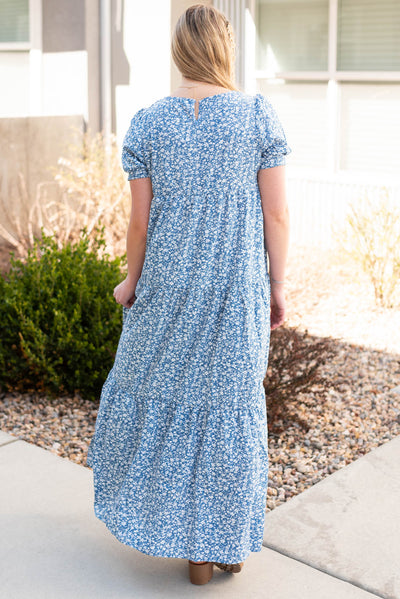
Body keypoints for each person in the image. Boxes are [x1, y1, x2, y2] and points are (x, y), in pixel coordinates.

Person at [86, 3, 291, 587]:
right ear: (225, 50)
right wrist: (278, 286)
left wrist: (130, 281)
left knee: (167, 401)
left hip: (167, 291)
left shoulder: (150, 121)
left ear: (180, 51)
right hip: (233, 290)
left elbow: (138, 226)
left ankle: (185, 542)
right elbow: (275, 214)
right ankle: (218, 544)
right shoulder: (256, 116)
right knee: (225, 409)